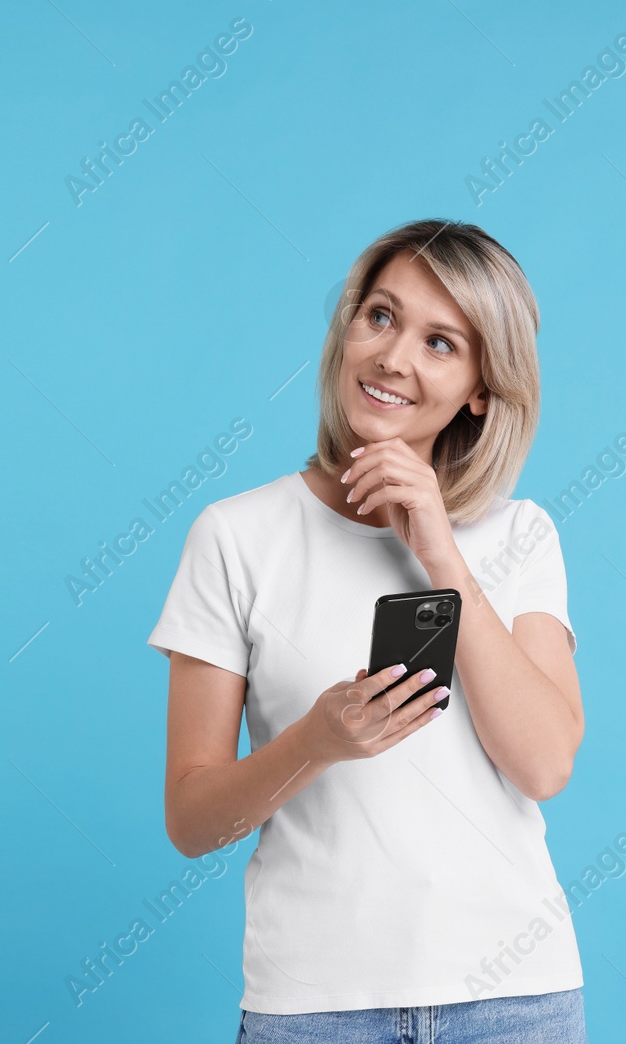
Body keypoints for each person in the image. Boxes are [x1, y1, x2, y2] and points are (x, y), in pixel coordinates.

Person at [148, 219, 587, 1043]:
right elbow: (191, 818)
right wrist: (316, 739)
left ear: (482, 388)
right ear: (346, 330)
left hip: (514, 1002)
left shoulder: (523, 533)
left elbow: (544, 761)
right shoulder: (236, 535)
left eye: (440, 342)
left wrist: (438, 548)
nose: (393, 358)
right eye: (380, 316)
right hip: (314, 1011)